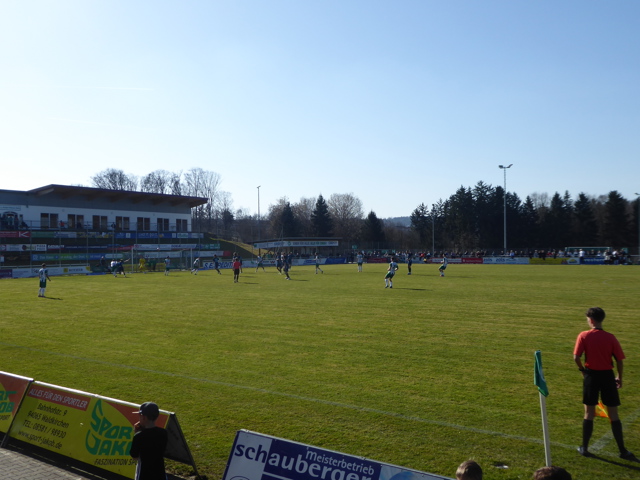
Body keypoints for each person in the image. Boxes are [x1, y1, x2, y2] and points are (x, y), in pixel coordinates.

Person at [574, 307, 634, 460]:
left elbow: (576, 357)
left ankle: (584, 448)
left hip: (591, 376)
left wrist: (582, 371)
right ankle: (623, 451)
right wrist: (619, 377)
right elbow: (619, 360)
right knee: (613, 414)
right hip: (607, 376)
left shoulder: (584, 335)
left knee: (589, 413)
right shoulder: (610, 337)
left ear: (591, 320)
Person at [130, 402, 168, 480]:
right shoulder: (163, 433)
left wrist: (136, 433)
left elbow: (134, 456)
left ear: (143, 417)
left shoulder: (139, 436)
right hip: (160, 474)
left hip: (144, 474)